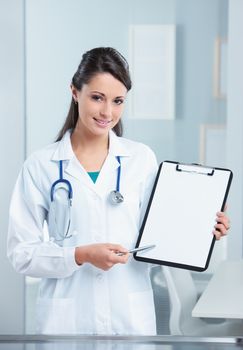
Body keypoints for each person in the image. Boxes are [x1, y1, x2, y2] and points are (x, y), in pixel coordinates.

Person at [7, 47, 230, 335]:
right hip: (67, 323)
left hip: (130, 319)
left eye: (118, 101)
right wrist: (80, 255)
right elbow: (22, 255)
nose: (107, 112)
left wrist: (204, 227)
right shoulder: (40, 166)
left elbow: (160, 236)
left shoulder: (141, 159)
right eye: (97, 98)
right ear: (75, 92)